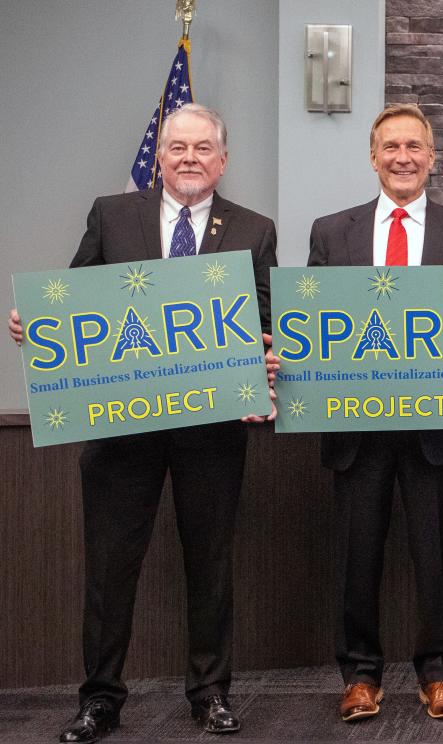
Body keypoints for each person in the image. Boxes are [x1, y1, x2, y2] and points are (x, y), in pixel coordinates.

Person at [8, 103, 277, 743]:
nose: (189, 158)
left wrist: (269, 352)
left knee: (210, 568)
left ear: (223, 159)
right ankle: (100, 700)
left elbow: (265, 317)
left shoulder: (255, 228)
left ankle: (210, 694)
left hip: (211, 433)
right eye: (177, 147)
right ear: (159, 157)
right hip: (121, 430)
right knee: (108, 570)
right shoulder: (113, 214)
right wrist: (38, 329)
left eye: (202, 148)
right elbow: (77, 300)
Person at [304, 103, 443, 723]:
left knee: (436, 555)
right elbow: (312, 324)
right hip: (356, 426)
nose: (403, 157)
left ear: (432, 157)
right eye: (391, 147)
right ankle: (360, 676)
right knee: (359, 556)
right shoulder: (332, 232)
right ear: (373, 156)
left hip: (437, 428)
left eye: (415, 146)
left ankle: (438, 673)